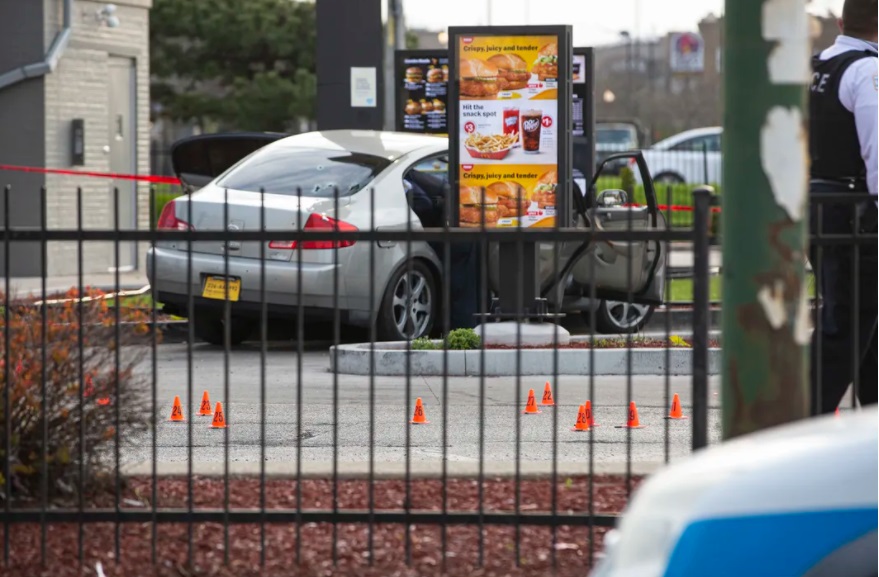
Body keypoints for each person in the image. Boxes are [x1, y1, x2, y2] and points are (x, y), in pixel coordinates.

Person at [808, 0, 878, 414]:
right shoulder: (868, 71)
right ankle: (799, 425)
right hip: (857, 213)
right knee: (846, 327)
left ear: (840, 22)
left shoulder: (816, 67)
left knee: (861, 325)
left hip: (818, 206)